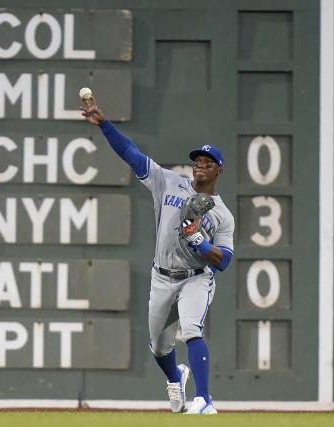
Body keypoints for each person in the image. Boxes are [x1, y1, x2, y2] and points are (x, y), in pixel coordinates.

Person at [80, 95, 234, 415]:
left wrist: (200, 243)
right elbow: (132, 155)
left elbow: (224, 260)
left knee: (192, 329)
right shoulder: (169, 183)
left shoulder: (222, 214)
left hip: (195, 278)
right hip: (162, 275)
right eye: (197, 160)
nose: (201, 164)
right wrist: (105, 125)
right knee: (159, 347)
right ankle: (175, 376)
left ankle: (204, 400)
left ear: (219, 169)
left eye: (208, 162)